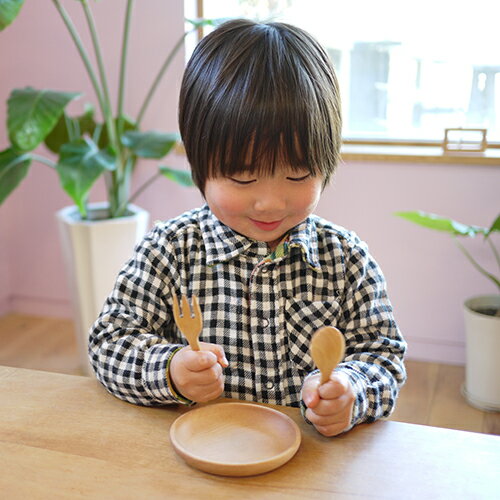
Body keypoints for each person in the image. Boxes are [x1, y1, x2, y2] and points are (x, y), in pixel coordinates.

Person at [88, 19, 407, 437]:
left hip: (308, 462)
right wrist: (169, 369)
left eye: (297, 176)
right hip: (200, 454)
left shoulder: (346, 260)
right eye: (242, 178)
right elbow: (108, 342)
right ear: (200, 164)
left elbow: (383, 356)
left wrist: (351, 389)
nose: (271, 202)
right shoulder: (170, 250)